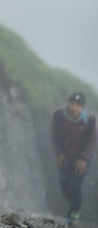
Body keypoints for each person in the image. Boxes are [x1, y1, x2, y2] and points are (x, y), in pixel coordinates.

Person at [51, 91, 96, 225]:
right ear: (68, 104)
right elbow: (54, 135)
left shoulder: (89, 120)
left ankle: (74, 214)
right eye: (71, 103)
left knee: (76, 185)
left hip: (81, 157)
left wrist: (84, 158)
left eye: (77, 105)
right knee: (65, 187)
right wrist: (59, 154)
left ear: (82, 107)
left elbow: (94, 140)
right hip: (65, 155)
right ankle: (76, 202)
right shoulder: (59, 116)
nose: (74, 107)